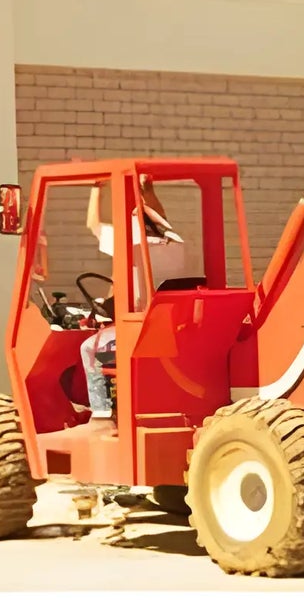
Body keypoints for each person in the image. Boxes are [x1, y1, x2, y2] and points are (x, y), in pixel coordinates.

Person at [77, 178, 189, 430]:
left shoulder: (130, 243)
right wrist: (149, 189)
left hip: (139, 332)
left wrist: (96, 188)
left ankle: (102, 414)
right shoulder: (174, 246)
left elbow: (92, 224)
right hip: (172, 331)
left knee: (89, 348)